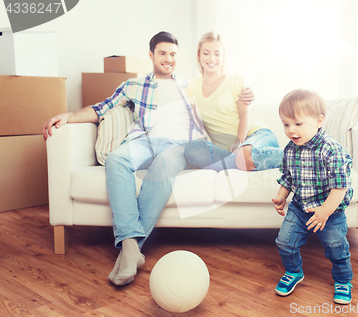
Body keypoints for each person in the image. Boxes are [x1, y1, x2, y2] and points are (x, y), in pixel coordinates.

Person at [42, 31, 254, 286]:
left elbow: (220, 92)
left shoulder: (189, 86)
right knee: (116, 159)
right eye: (162, 53)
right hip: (144, 140)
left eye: (173, 54)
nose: (168, 59)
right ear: (151, 55)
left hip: (179, 145)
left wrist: (246, 96)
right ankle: (130, 244)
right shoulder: (134, 85)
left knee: (164, 163)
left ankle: (130, 250)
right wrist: (68, 115)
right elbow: (102, 108)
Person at [271, 89, 354, 305]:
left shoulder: (331, 150)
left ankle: (343, 280)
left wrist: (325, 212)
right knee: (284, 242)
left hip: (330, 210)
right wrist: (282, 196)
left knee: (336, 247)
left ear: (318, 121)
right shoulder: (290, 149)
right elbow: (288, 176)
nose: (291, 130)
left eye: (298, 124)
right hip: (300, 207)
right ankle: (293, 271)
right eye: (286, 124)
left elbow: (340, 186)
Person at [184, 32, 282, 172]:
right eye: (206, 53)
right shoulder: (191, 87)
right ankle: (241, 161)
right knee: (192, 149)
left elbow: (245, 115)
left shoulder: (235, 80)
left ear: (223, 57)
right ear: (199, 55)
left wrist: (239, 142)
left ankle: (299, 156)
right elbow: (194, 122)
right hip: (230, 152)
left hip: (257, 136)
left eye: (217, 53)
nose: (212, 58)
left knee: (244, 156)